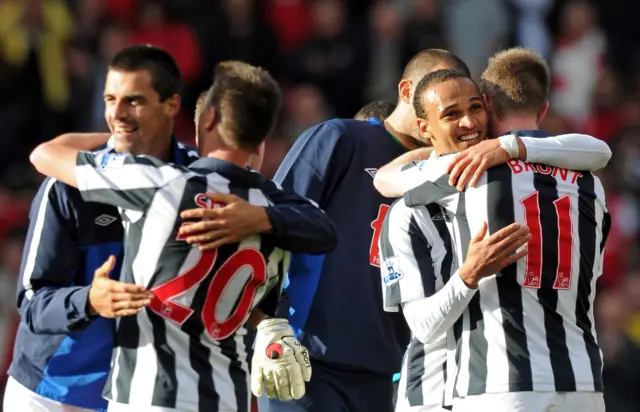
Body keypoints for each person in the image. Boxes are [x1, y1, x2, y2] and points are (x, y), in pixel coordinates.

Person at [9, 45, 335, 412]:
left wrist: (265, 318)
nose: (117, 113)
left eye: (134, 101)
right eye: (110, 99)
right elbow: (33, 303)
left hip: (144, 391)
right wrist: (89, 300)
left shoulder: (195, 182)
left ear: (171, 106)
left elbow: (218, 282)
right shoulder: (68, 185)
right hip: (56, 391)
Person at [222, 49, 467, 412]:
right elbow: (268, 229)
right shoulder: (340, 138)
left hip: (390, 375)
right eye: (433, 90)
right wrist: (264, 325)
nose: (443, 102)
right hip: (306, 363)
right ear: (405, 92)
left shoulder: (448, 175)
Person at [376, 56, 610, 411]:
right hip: (584, 384)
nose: (468, 122)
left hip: (502, 384)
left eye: (473, 108)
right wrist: (513, 146)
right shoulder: (591, 183)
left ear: (486, 104)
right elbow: (600, 150)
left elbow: (385, 180)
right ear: (544, 108)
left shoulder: (467, 174)